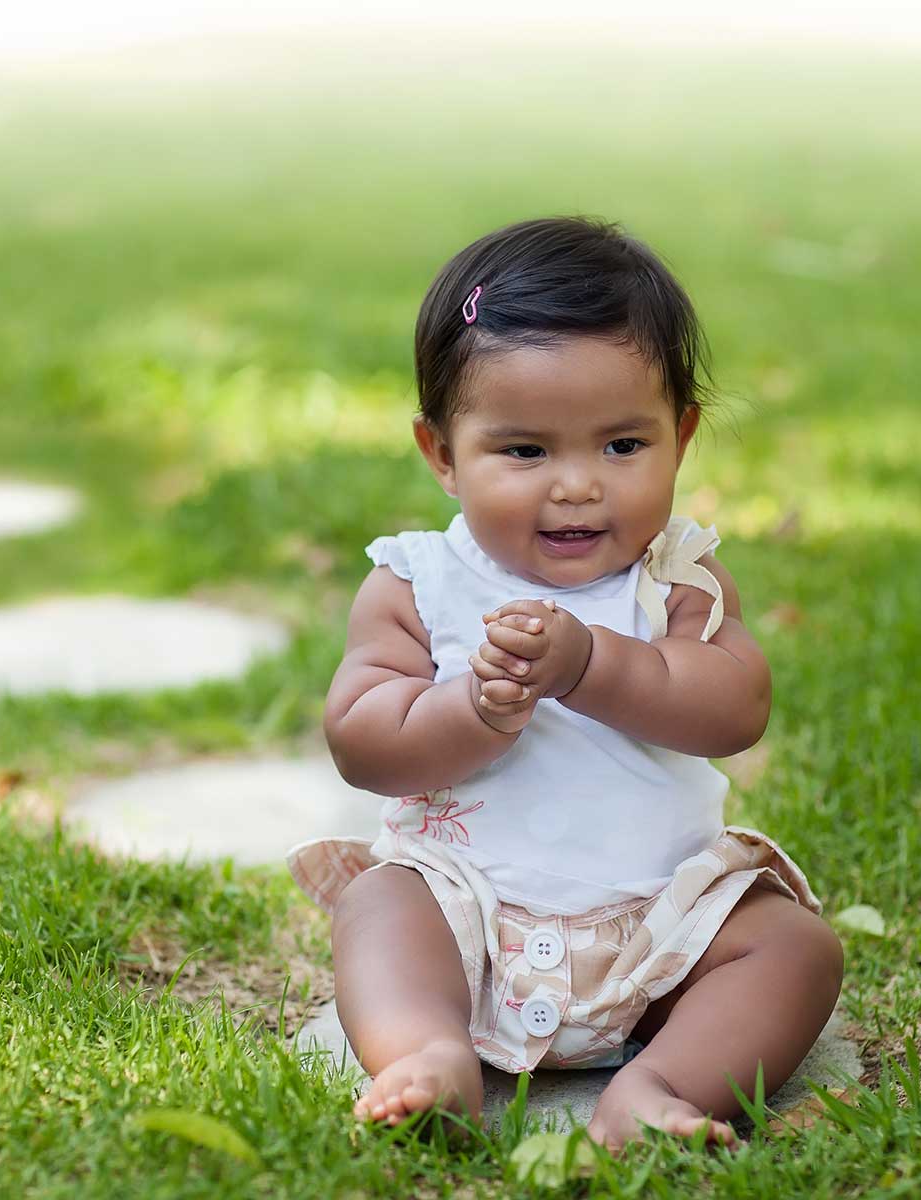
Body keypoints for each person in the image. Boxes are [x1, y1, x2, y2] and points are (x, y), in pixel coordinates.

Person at [287, 216, 844, 1150]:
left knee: (795, 949)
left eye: (624, 446)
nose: (578, 485)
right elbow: (360, 737)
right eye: (527, 451)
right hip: (466, 916)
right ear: (441, 455)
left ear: (683, 434)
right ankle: (428, 1053)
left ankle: (661, 1085)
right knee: (380, 906)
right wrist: (468, 709)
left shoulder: (679, 578)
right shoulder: (416, 583)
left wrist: (591, 664)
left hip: (660, 929)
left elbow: (734, 706)